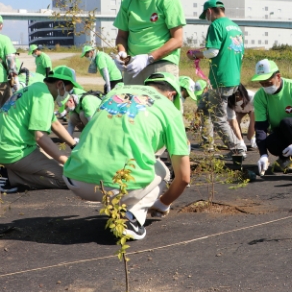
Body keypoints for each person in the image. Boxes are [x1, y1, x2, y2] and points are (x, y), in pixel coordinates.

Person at [63, 72, 191, 240]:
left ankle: (119, 204)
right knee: (163, 171)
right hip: (116, 188)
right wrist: (163, 203)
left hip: (75, 179)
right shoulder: (169, 109)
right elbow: (184, 178)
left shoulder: (115, 92)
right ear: (171, 94)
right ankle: (132, 218)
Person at [0, 68, 77, 191]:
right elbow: (40, 137)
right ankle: (10, 177)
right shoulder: (44, 96)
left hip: (7, 145)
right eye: (68, 90)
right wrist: (66, 160)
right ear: (59, 84)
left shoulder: (37, 88)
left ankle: (12, 171)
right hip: (13, 150)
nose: (67, 94)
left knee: (50, 162)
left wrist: (73, 144)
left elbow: (55, 124)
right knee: (66, 179)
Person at [113, 0, 186, 85]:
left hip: (162, 63)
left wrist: (149, 58)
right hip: (133, 65)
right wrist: (122, 53)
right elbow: (121, 36)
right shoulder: (127, 2)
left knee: (159, 103)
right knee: (131, 103)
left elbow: (177, 40)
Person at [187, 0, 246, 157]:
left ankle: (237, 149)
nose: (208, 19)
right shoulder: (235, 27)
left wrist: (195, 55)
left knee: (219, 118)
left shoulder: (216, 25)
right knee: (204, 105)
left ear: (210, 11)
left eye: (206, 16)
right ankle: (208, 143)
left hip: (221, 79)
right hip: (233, 78)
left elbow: (213, 52)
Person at [251, 60, 292, 174]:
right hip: (280, 131)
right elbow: (261, 128)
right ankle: (285, 158)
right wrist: (263, 155)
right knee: (270, 142)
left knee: (287, 123)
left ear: (278, 77)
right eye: (262, 83)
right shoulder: (260, 96)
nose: (266, 86)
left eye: (269, 83)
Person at [46, 66, 102, 136]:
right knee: (73, 117)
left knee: (82, 114)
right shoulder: (67, 98)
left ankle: (89, 136)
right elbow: (68, 120)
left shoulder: (84, 99)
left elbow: (92, 121)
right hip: (89, 117)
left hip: (100, 120)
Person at [227, 84, 257, 150]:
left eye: (239, 97)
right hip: (238, 112)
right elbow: (232, 120)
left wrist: (251, 136)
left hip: (251, 110)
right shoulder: (228, 101)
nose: (237, 100)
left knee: (254, 120)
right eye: (235, 99)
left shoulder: (253, 97)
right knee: (234, 123)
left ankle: (253, 139)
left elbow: (253, 121)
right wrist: (240, 141)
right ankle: (240, 141)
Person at [0, 15, 19, 106]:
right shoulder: (4, 40)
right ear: (1, 26)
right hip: (1, 81)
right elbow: (11, 60)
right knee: (5, 107)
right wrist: (15, 78)